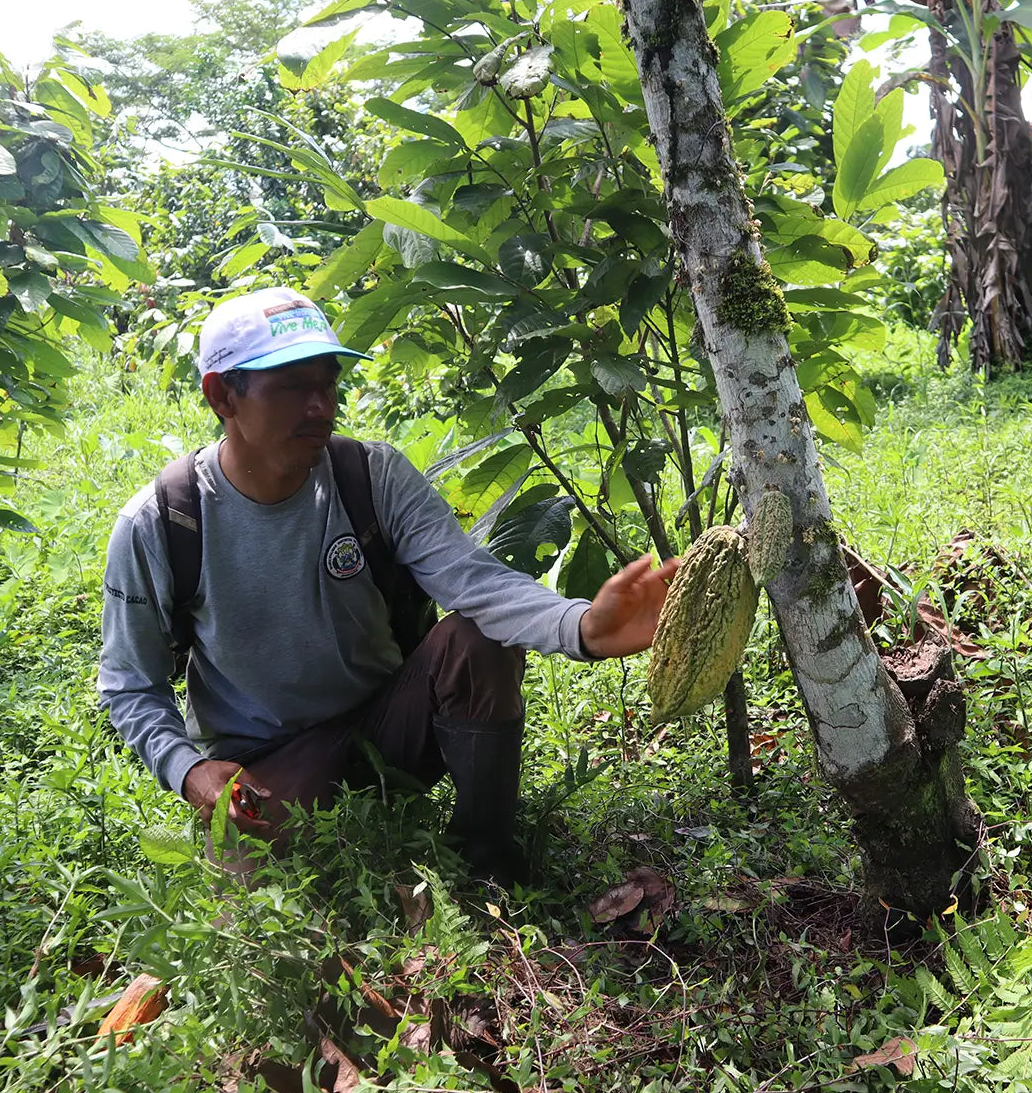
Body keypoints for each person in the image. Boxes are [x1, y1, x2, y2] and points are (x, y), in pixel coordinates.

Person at [98, 286, 678, 882]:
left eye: (328, 383)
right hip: (266, 762)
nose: (321, 406)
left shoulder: (369, 477)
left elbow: (471, 580)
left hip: (390, 721)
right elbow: (130, 685)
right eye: (293, 386)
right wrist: (189, 771)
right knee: (272, 903)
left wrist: (582, 626)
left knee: (478, 640)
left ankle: (486, 866)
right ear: (222, 395)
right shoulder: (164, 523)